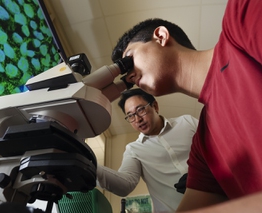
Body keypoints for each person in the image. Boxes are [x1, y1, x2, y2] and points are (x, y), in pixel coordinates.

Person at [110, 0, 262, 212]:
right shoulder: (204, 145)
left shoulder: (239, 21)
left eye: (129, 60)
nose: (130, 75)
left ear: (161, 36)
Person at [97, 88, 198, 212]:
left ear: (155, 106)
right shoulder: (133, 150)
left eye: (140, 110)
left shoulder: (187, 122)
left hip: (220, 202)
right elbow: (125, 185)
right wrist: (89, 167)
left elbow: (218, 149)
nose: (137, 119)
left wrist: (204, 175)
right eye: (130, 116)